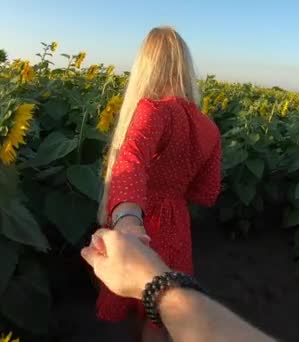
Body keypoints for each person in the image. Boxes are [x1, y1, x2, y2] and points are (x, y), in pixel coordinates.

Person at [95, 26, 222, 341]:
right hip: (177, 224)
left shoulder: (153, 110)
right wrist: (175, 187)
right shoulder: (209, 128)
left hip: (141, 218)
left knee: (134, 293)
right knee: (163, 310)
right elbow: (207, 194)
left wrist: (126, 218)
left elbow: (131, 162)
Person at [82, 228, 277, 342]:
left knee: (135, 309)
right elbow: (207, 193)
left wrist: (128, 222)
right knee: (154, 322)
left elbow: (127, 189)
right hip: (174, 230)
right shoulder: (206, 154)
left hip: (132, 239)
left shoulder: (130, 157)